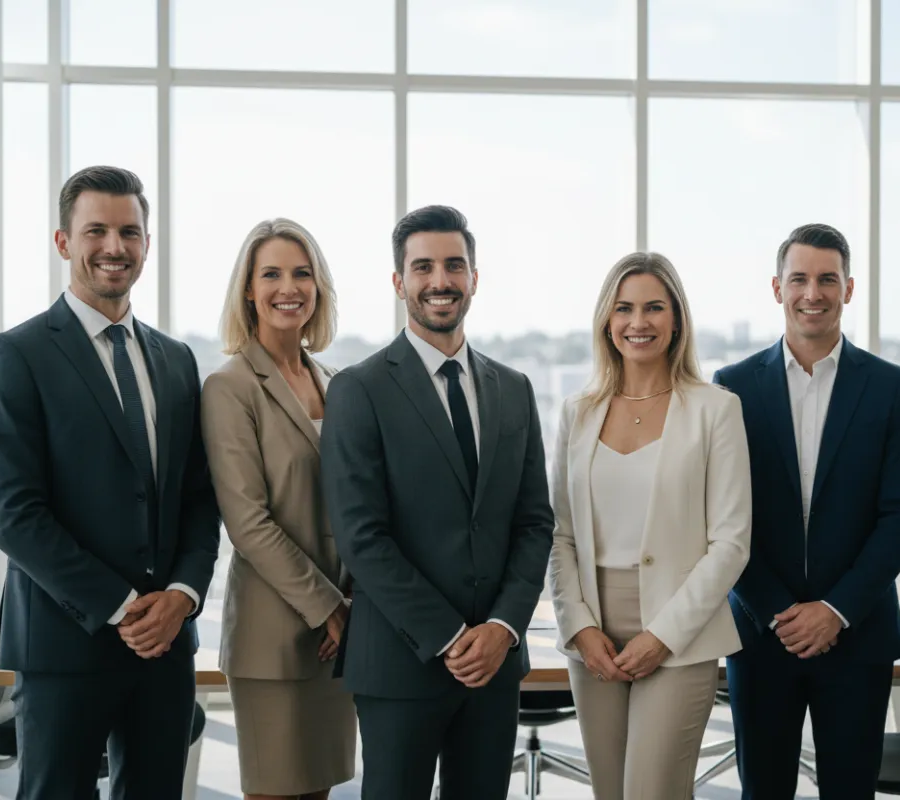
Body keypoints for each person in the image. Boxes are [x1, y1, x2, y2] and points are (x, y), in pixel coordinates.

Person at [0, 165, 220, 799]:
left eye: (130, 231)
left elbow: (197, 495)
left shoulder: (175, 359)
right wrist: (120, 606)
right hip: (64, 642)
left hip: (166, 643)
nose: (115, 247)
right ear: (63, 242)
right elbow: (13, 514)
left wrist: (184, 595)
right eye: (97, 230)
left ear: (146, 243)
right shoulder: (15, 355)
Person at [319, 205, 554, 799]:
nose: (440, 281)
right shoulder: (358, 389)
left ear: (475, 277)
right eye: (422, 267)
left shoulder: (515, 388)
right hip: (402, 663)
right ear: (399, 283)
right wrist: (450, 637)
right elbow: (361, 536)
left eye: (454, 265)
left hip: (496, 664)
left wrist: (502, 627)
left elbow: (533, 522)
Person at [714, 223, 900, 799]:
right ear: (776, 287)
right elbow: (722, 516)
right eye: (800, 278)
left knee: (852, 790)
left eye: (827, 279)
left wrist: (835, 609)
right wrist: (780, 609)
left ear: (849, 288)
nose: (813, 293)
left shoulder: (892, 386)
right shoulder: (729, 387)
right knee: (764, 790)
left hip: (857, 633)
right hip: (762, 632)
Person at [546, 252, 751, 799]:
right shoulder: (577, 412)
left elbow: (731, 543)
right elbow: (559, 534)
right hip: (593, 631)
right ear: (607, 322)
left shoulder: (716, 409)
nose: (639, 322)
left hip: (680, 629)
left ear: (677, 319)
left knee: (651, 791)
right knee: (611, 792)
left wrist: (662, 636)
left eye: (654, 308)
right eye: (625, 308)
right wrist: (578, 626)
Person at [200, 218, 356, 800]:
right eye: (271, 274)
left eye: (301, 272)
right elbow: (247, 522)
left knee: (319, 789)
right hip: (277, 634)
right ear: (248, 288)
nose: (288, 287)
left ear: (319, 287)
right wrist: (327, 609)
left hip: (342, 630)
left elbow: (360, 507)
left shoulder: (336, 382)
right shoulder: (230, 385)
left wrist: (352, 605)